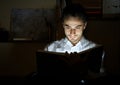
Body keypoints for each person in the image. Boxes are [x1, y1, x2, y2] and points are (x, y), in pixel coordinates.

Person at [44, 3, 105, 80]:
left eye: (77, 27)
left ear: (85, 25)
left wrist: (83, 70)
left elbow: (100, 78)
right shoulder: (50, 49)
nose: (72, 33)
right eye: (68, 27)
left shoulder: (95, 50)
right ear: (63, 25)